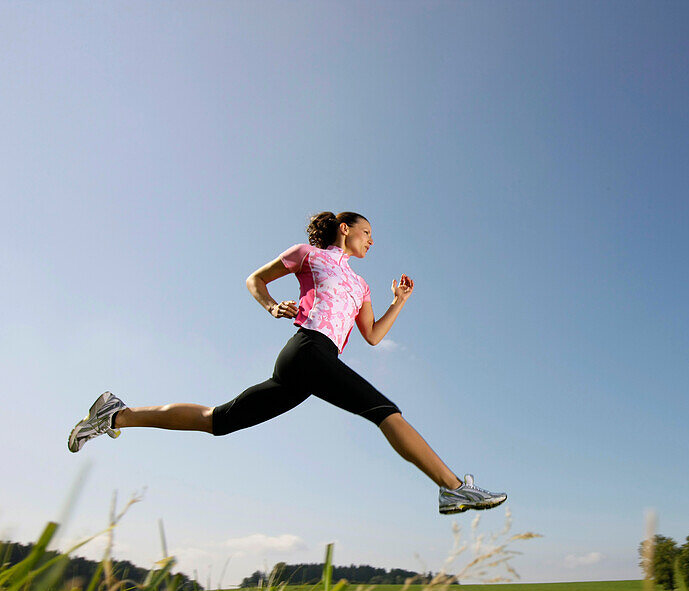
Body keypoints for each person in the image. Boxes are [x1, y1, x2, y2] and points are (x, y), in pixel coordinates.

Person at [68, 211, 506, 516]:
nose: (371, 240)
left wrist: (399, 302)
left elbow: (372, 336)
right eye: (366, 231)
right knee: (383, 411)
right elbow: (254, 279)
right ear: (343, 227)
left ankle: (115, 413)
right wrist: (271, 305)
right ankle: (453, 487)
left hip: (314, 364)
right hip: (306, 350)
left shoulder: (361, 284)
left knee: (219, 420)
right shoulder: (308, 255)